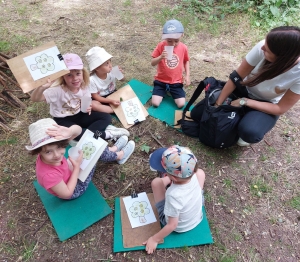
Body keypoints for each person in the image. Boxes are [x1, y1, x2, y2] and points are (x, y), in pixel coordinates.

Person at [215, 26, 300, 146]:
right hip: (243, 89)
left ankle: (247, 122)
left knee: (250, 132)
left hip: (267, 104)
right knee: (200, 113)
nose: (262, 47)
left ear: (282, 58)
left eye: (268, 50)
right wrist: (218, 103)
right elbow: (237, 76)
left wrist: (245, 102)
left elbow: (280, 108)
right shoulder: (262, 47)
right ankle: (239, 119)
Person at [26, 118, 135, 199]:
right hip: (75, 189)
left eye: (59, 147)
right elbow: (68, 193)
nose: (57, 155)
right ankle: (119, 156)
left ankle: (112, 150)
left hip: (67, 173)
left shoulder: (49, 153)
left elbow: (78, 131)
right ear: (38, 152)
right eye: (49, 152)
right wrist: (77, 168)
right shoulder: (49, 176)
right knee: (94, 154)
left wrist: (69, 132)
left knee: (90, 146)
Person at [30, 53, 129, 141]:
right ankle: (107, 134)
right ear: (63, 77)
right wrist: (41, 88)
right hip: (63, 119)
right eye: (69, 75)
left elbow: (86, 102)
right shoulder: (57, 90)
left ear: (83, 73)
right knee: (74, 133)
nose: (75, 78)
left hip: (80, 115)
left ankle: (87, 135)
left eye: (78, 73)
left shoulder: (84, 86)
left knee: (106, 117)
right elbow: (35, 98)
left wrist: (88, 107)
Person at [143, 145, 205, 254]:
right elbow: (198, 174)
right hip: (196, 214)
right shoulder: (194, 173)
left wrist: (154, 239)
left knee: (156, 183)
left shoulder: (173, 195)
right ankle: (174, 178)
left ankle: (167, 179)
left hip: (181, 226)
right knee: (201, 173)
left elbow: (172, 225)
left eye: (166, 172)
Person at [151, 19, 190, 108]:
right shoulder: (161, 46)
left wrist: (187, 76)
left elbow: (186, 61)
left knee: (181, 104)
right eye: (169, 41)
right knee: (155, 103)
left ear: (182, 35)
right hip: (161, 80)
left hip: (176, 81)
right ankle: (163, 90)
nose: (173, 44)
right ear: (165, 38)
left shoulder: (183, 47)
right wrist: (160, 57)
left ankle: (171, 90)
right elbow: (152, 63)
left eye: (176, 41)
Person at [86, 46, 124, 113]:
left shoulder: (112, 71)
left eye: (110, 62)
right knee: (94, 104)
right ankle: (114, 110)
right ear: (97, 68)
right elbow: (96, 97)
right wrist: (110, 101)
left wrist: (120, 75)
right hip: (101, 99)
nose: (110, 66)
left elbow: (123, 80)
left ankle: (117, 108)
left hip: (113, 93)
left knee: (126, 94)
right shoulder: (92, 80)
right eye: (106, 64)